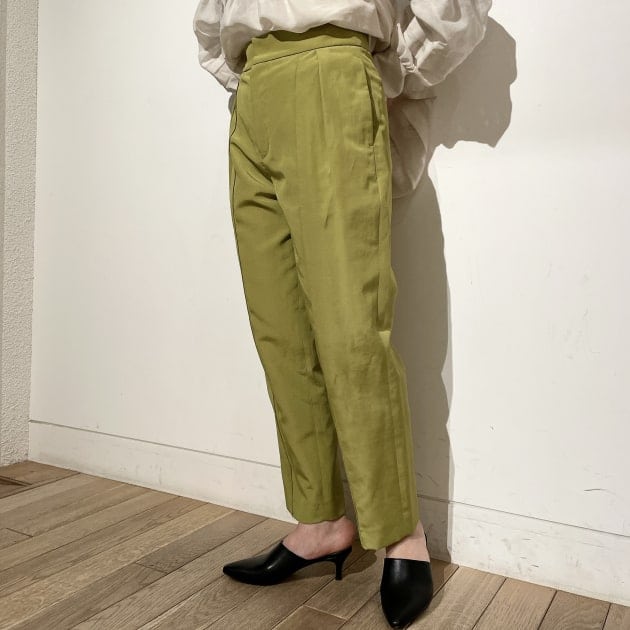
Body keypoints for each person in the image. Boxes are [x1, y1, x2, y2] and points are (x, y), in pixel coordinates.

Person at [193, 2, 491, 627]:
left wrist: (371, 71)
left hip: (332, 72)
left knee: (352, 327)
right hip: (253, 93)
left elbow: (454, 10)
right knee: (280, 330)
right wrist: (246, 75)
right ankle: (321, 520)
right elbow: (214, 16)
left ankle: (400, 532)